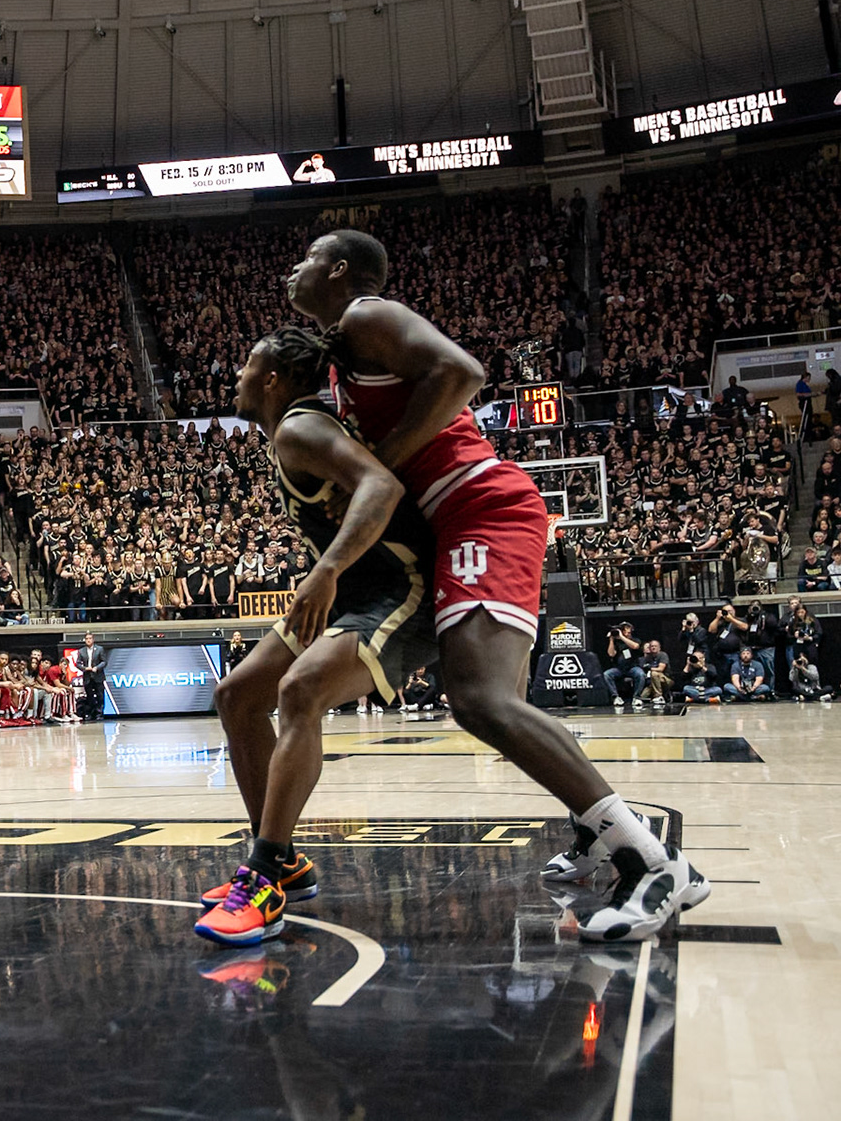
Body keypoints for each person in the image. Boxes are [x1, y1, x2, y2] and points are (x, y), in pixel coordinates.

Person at [286, 230, 708, 941]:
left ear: (337, 269)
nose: (291, 270)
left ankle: (649, 865)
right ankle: (622, 839)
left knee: (478, 700)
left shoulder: (365, 314)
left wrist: (380, 463)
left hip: (482, 505)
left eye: (305, 259)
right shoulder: (342, 355)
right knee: (496, 703)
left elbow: (463, 371)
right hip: (461, 519)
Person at [196, 329, 438, 944]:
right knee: (237, 696)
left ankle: (262, 877)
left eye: (248, 365)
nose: (239, 376)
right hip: (352, 594)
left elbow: (382, 486)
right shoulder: (298, 431)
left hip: (395, 590)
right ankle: (284, 862)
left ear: (274, 380)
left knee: (298, 691)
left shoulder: (299, 427)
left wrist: (325, 568)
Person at [602, 623, 645, 705]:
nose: (627, 634)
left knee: (640, 674)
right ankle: (615, 697)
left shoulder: (635, 640)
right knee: (607, 674)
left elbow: (635, 646)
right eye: (625, 632)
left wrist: (622, 637)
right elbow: (611, 654)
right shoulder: (617, 643)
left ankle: (637, 697)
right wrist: (611, 640)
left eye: (629, 632)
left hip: (632, 667)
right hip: (619, 668)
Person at [73, 632, 108, 720]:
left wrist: (97, 667)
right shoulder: (81, 651)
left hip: (98, 676)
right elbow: (77, 663)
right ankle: (90, 713)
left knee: (100, 695)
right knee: (89, 696)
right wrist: (84, 668)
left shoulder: (100, 649)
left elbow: (104, 662)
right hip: (87, 676)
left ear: (93, 639)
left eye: (90, 638)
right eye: (87, 639)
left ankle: (99, 713)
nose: (88, 640)